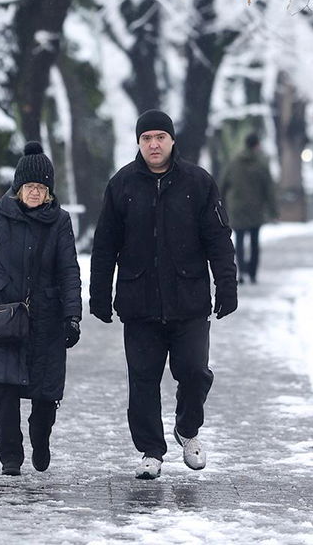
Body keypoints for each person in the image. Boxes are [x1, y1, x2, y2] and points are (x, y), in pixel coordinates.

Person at [89, 109, 238, 480]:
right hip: (138, 302)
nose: (153, 144)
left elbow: (218, 239)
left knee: (193, 372)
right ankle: (151, 450)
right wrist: (99, 294)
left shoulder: (198, 183)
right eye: (146, 138)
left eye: (159, 137)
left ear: (172, 141)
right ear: (138, 143)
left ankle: (187, 431)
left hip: (188, 299)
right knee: (142, 380)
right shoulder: (121, 185)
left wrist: (227, 285)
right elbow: (105, 245)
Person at [0, 142, 82, 476]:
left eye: (42, 188)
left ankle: (40, 438)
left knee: (45, 395)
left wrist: (73, 316)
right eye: (30, 186)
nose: (35, 193)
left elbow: (69, 270)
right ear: (18, 187)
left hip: (47, 320)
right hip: (3, 316)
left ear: (49, 192)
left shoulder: (59, 222)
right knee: (3, 389)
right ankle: (10, 457)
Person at [220, 132, 277, 284]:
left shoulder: (233, 162)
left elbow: (223, 184)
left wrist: (220, 204)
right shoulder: (261, 163)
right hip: (256, 209)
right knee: (254, 242)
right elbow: (269, 188)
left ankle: (242, 271)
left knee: (238, 241)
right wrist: (273, 211)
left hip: (237, 208)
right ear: (257, 145)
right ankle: (252, 273)